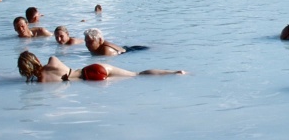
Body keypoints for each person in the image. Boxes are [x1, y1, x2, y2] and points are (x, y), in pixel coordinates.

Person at [17, 51, 184, 83]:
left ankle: (173, 73)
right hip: (90, 69)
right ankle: (173, 72)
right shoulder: (52, 61)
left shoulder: (39, 81)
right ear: (35, 59)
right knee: (137, 74)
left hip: (89, 80)